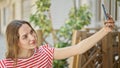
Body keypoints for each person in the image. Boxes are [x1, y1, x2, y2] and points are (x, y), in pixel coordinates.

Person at [0, 14, 114, 68]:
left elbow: (78, 48)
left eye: (31, 32)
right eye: (25, 36)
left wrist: (105, 30)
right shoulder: (6, 65)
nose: (32, 37)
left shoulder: (45, 53)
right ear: (15, 41)